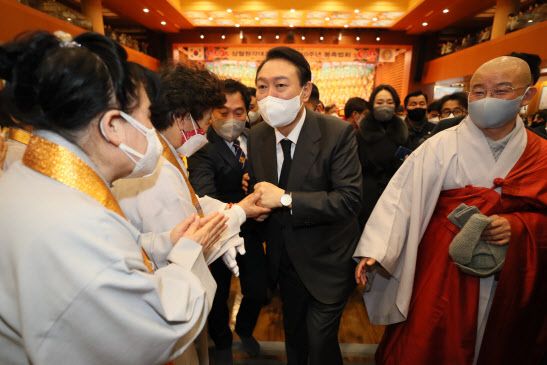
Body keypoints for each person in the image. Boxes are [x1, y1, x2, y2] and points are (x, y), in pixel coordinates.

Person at [0, 30, 231, 364]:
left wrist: (167, 243)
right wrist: (188, 255)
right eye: (147, 117)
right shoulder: (75, 223)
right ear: (112, 125)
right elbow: (154, 327)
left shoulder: (37, 183)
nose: (153, 131)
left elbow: (114, 256)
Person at [354, 56, 547, 364]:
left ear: (527, 96)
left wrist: (520, 226)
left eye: (501, 91)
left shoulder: (541, 154)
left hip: (509, 274)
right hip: (443, 267)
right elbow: (402, 200)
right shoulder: (441, 145)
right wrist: (377, 248)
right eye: (478, 91)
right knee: (428, 342)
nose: (487, 100)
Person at [246, 46, 362, 365]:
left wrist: (285, 199)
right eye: (262, 86)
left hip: (328, 258)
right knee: (294, 337)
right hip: (285, 260)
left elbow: (349, 198)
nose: (270, 95)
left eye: (281, 85)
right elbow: (260, 193)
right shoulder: (256, 137)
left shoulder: (335, 132)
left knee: (320, 338)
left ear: (305, 90)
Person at [187, 79, 268, 364]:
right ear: (211, 113)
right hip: (218, 232)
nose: (232, 119)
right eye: (223, 112)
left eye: (239, 111)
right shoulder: (201, 146)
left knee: (259, 289)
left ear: (248, 112)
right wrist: (241, 205)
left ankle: (244, 328)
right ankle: (221, 340)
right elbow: (204, 194)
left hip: (253, 231)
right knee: (218, 294)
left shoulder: (259, 137)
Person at [356, 84, 409, 229]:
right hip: (367, 194)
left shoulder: (404, 133)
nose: (385, 106)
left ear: (396, 105)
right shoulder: (359, 134)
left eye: (390, 102)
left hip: (396, 193)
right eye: (380, 102)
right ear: (372, 105)